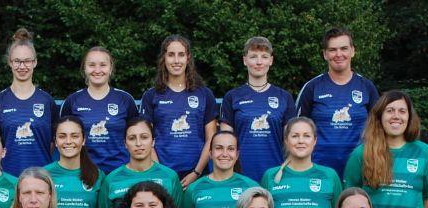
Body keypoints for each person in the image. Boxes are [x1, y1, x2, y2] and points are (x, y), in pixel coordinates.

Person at [296, 27, 379, 176]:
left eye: (344, 48)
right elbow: (296, 130)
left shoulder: (367, 87)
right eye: (333, 50)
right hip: (318, 171)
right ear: (325, 54)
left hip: (360, 169)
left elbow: (379, 128)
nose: (339, 54)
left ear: (352, 51)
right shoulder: (312, 87)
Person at [140, 34, 216, 187]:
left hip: (198, 175)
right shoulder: (151, 96)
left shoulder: (204, 94)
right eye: (171, 55)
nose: (176, 60)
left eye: (181, 54)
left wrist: (196, 172)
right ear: (164, 58)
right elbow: (146, 139)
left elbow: (211, 139)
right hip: (162, 175)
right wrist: (162, 174)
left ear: (188, 58)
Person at [220, 37, 296, 182]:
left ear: (271, 60)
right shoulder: (232, 97)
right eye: (253, 56)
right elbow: (225, 140)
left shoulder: (284, 97)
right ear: (245, 60)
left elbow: (291, 142)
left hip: (276, 174)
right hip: (240, 176)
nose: (259, 62)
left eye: (264, 57)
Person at [0, 28, 59, 176]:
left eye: (27, 61)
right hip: (8, 178)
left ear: (35, 62)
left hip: (41, 177)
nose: (22, 66)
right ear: (10, 62)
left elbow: (53, 142)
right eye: (17, 61)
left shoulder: (47, 101)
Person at [61, 47, 138, 173]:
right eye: (92, 65)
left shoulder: (125, 99)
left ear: (110, 68)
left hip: (120, 172)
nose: (97, 70)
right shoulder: (72, 101)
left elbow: (136, 136)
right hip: (84, 172)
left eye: (103, 65)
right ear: (84, 68)